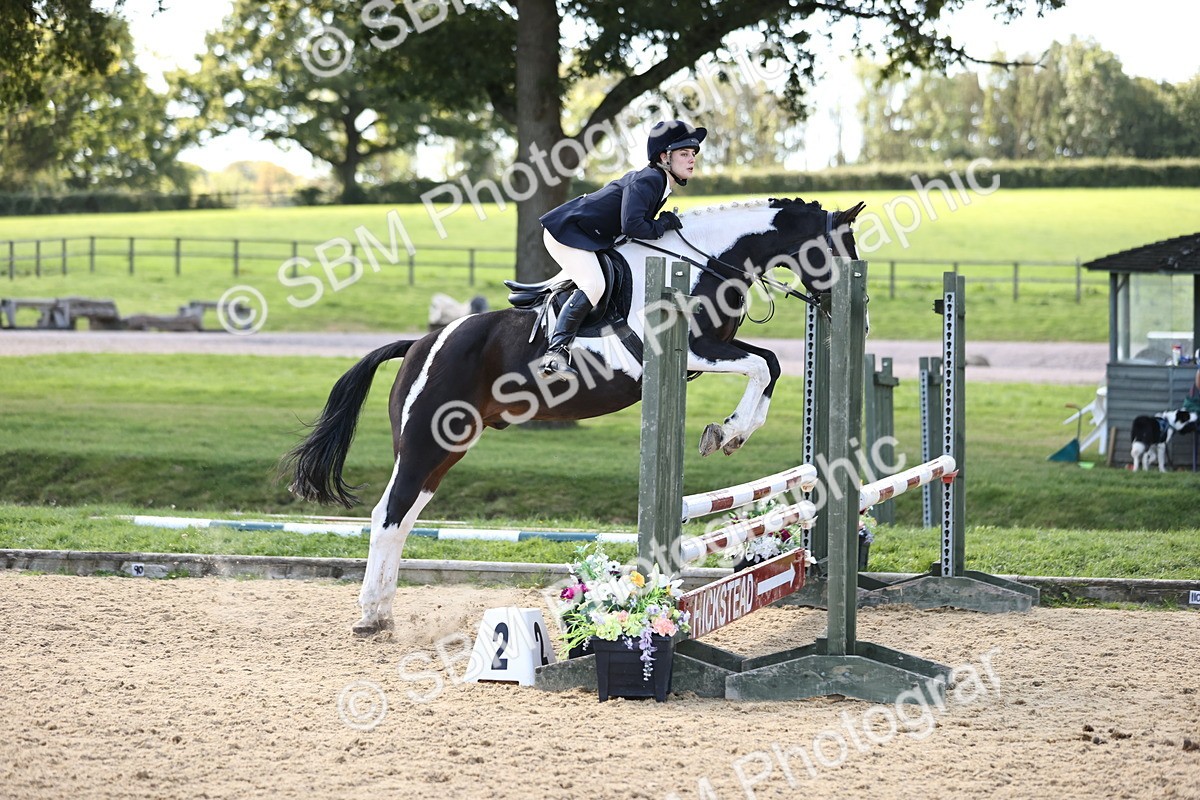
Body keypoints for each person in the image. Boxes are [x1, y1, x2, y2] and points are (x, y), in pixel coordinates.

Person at [536, 119, 706, 379]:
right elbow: (633, 225)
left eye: (693, 154)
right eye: (684, 154)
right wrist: (661, 225)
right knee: (594, 285)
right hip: (567, 233)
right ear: (664, 157)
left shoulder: (659, 183)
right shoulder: (650, 180)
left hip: (588, 236)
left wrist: (660, 224)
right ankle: (555, 353)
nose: (691, 159)